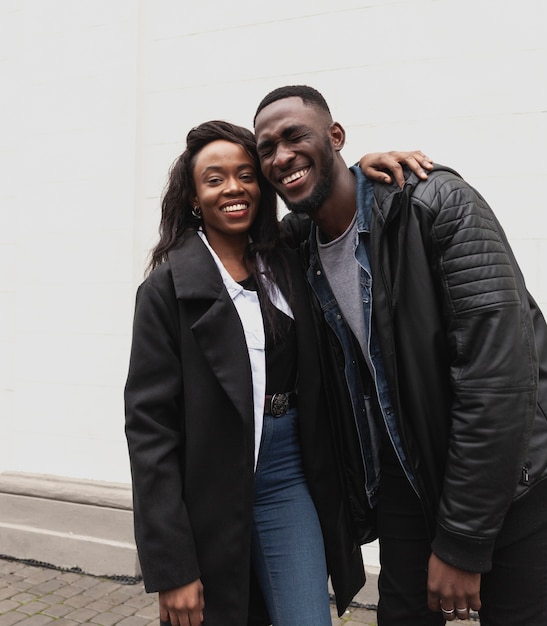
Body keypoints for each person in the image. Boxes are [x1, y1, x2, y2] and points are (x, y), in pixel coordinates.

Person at [253, 85, 547, 626]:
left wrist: (462, 542)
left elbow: (497, 381)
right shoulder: (299, 247)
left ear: (334, 136)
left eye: (295, 137)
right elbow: (231, 229)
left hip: (518, 465)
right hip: (409, 466)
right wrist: (357, 170)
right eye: (266, 148)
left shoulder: (437, 204)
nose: (280, 156)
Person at [124, 120, 432, 625]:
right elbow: (149, 433)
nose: (234, 188)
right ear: (194, 198)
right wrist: (171, 568)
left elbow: (331, 203)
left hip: (287, 473)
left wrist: (359, 173)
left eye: (246, 175)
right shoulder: (165, 292)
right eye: (215, 179)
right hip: (209, 485)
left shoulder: (286, 254)